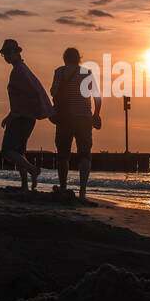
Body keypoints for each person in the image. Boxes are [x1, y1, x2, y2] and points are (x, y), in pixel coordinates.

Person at [0, 39, 53, 191]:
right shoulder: (22, 68)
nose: (7, 56)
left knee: (7, 150)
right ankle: (24, 185)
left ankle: (33, 170)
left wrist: (13, 115)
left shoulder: (19, 71)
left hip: (22, 118)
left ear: (17, 52)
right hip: (27, 117)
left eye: (9, 52)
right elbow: (26, 95)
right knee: (19, 151)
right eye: (5, 54)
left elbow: (33, 93)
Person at [50, 46, 102, 201]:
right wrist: (96, 115)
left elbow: (53, 92)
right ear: (79, 58)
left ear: (64, 58)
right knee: (85, 154)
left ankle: (63, 187)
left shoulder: (59, 72)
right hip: (84, 118)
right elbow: (97, 97)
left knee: (63, 154)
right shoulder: (87, 73)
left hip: (65, 118)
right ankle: (83, 191)